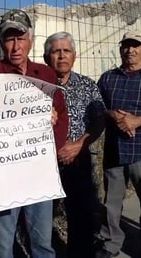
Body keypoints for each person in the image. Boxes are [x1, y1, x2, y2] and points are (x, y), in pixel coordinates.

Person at [0, 9, 69, 258]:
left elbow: (62, 114)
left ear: (30, 40)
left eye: (20, 38)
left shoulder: (46, 74)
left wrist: (52, 141)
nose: (16, 46)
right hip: (4, 176)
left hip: (39, 173)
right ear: (1, 43)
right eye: (10, 39)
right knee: (1, 245)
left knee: (42, 242)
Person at [94, 31, 141, 258]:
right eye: (126, 45)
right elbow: (97, 108)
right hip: (114, 151)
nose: (130, 50)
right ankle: (111, 243)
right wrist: (111, 114)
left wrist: (140, 120)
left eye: (136, 45)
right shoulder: (107, 78)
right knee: (112, 203)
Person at [43, 31, 106, 258]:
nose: (61, 56)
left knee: (81, 216)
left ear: (74, 56)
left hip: (78, 159)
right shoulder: (38, 86)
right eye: (56, 51)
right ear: (46, 56)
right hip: (44, 164)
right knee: (41, 220)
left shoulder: (87, 85)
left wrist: (79, 144)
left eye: (66, 51)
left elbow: (99, 118)